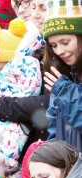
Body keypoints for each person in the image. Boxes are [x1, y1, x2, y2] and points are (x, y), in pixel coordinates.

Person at [0, 18, 42, 174]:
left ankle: (6, 164)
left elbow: (31, 93)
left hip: (18, 124)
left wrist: (0, 105)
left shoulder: (25, 63)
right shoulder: (0, 72)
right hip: (0, 120)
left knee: (7, 146)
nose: (32, 12)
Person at [42, 0, 82, 152]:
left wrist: (66, 93)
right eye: (53, 45)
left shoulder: (62, 86)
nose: (59, 51)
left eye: (65, 42)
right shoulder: (62, 74)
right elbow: (54, 131)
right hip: (69, 167)